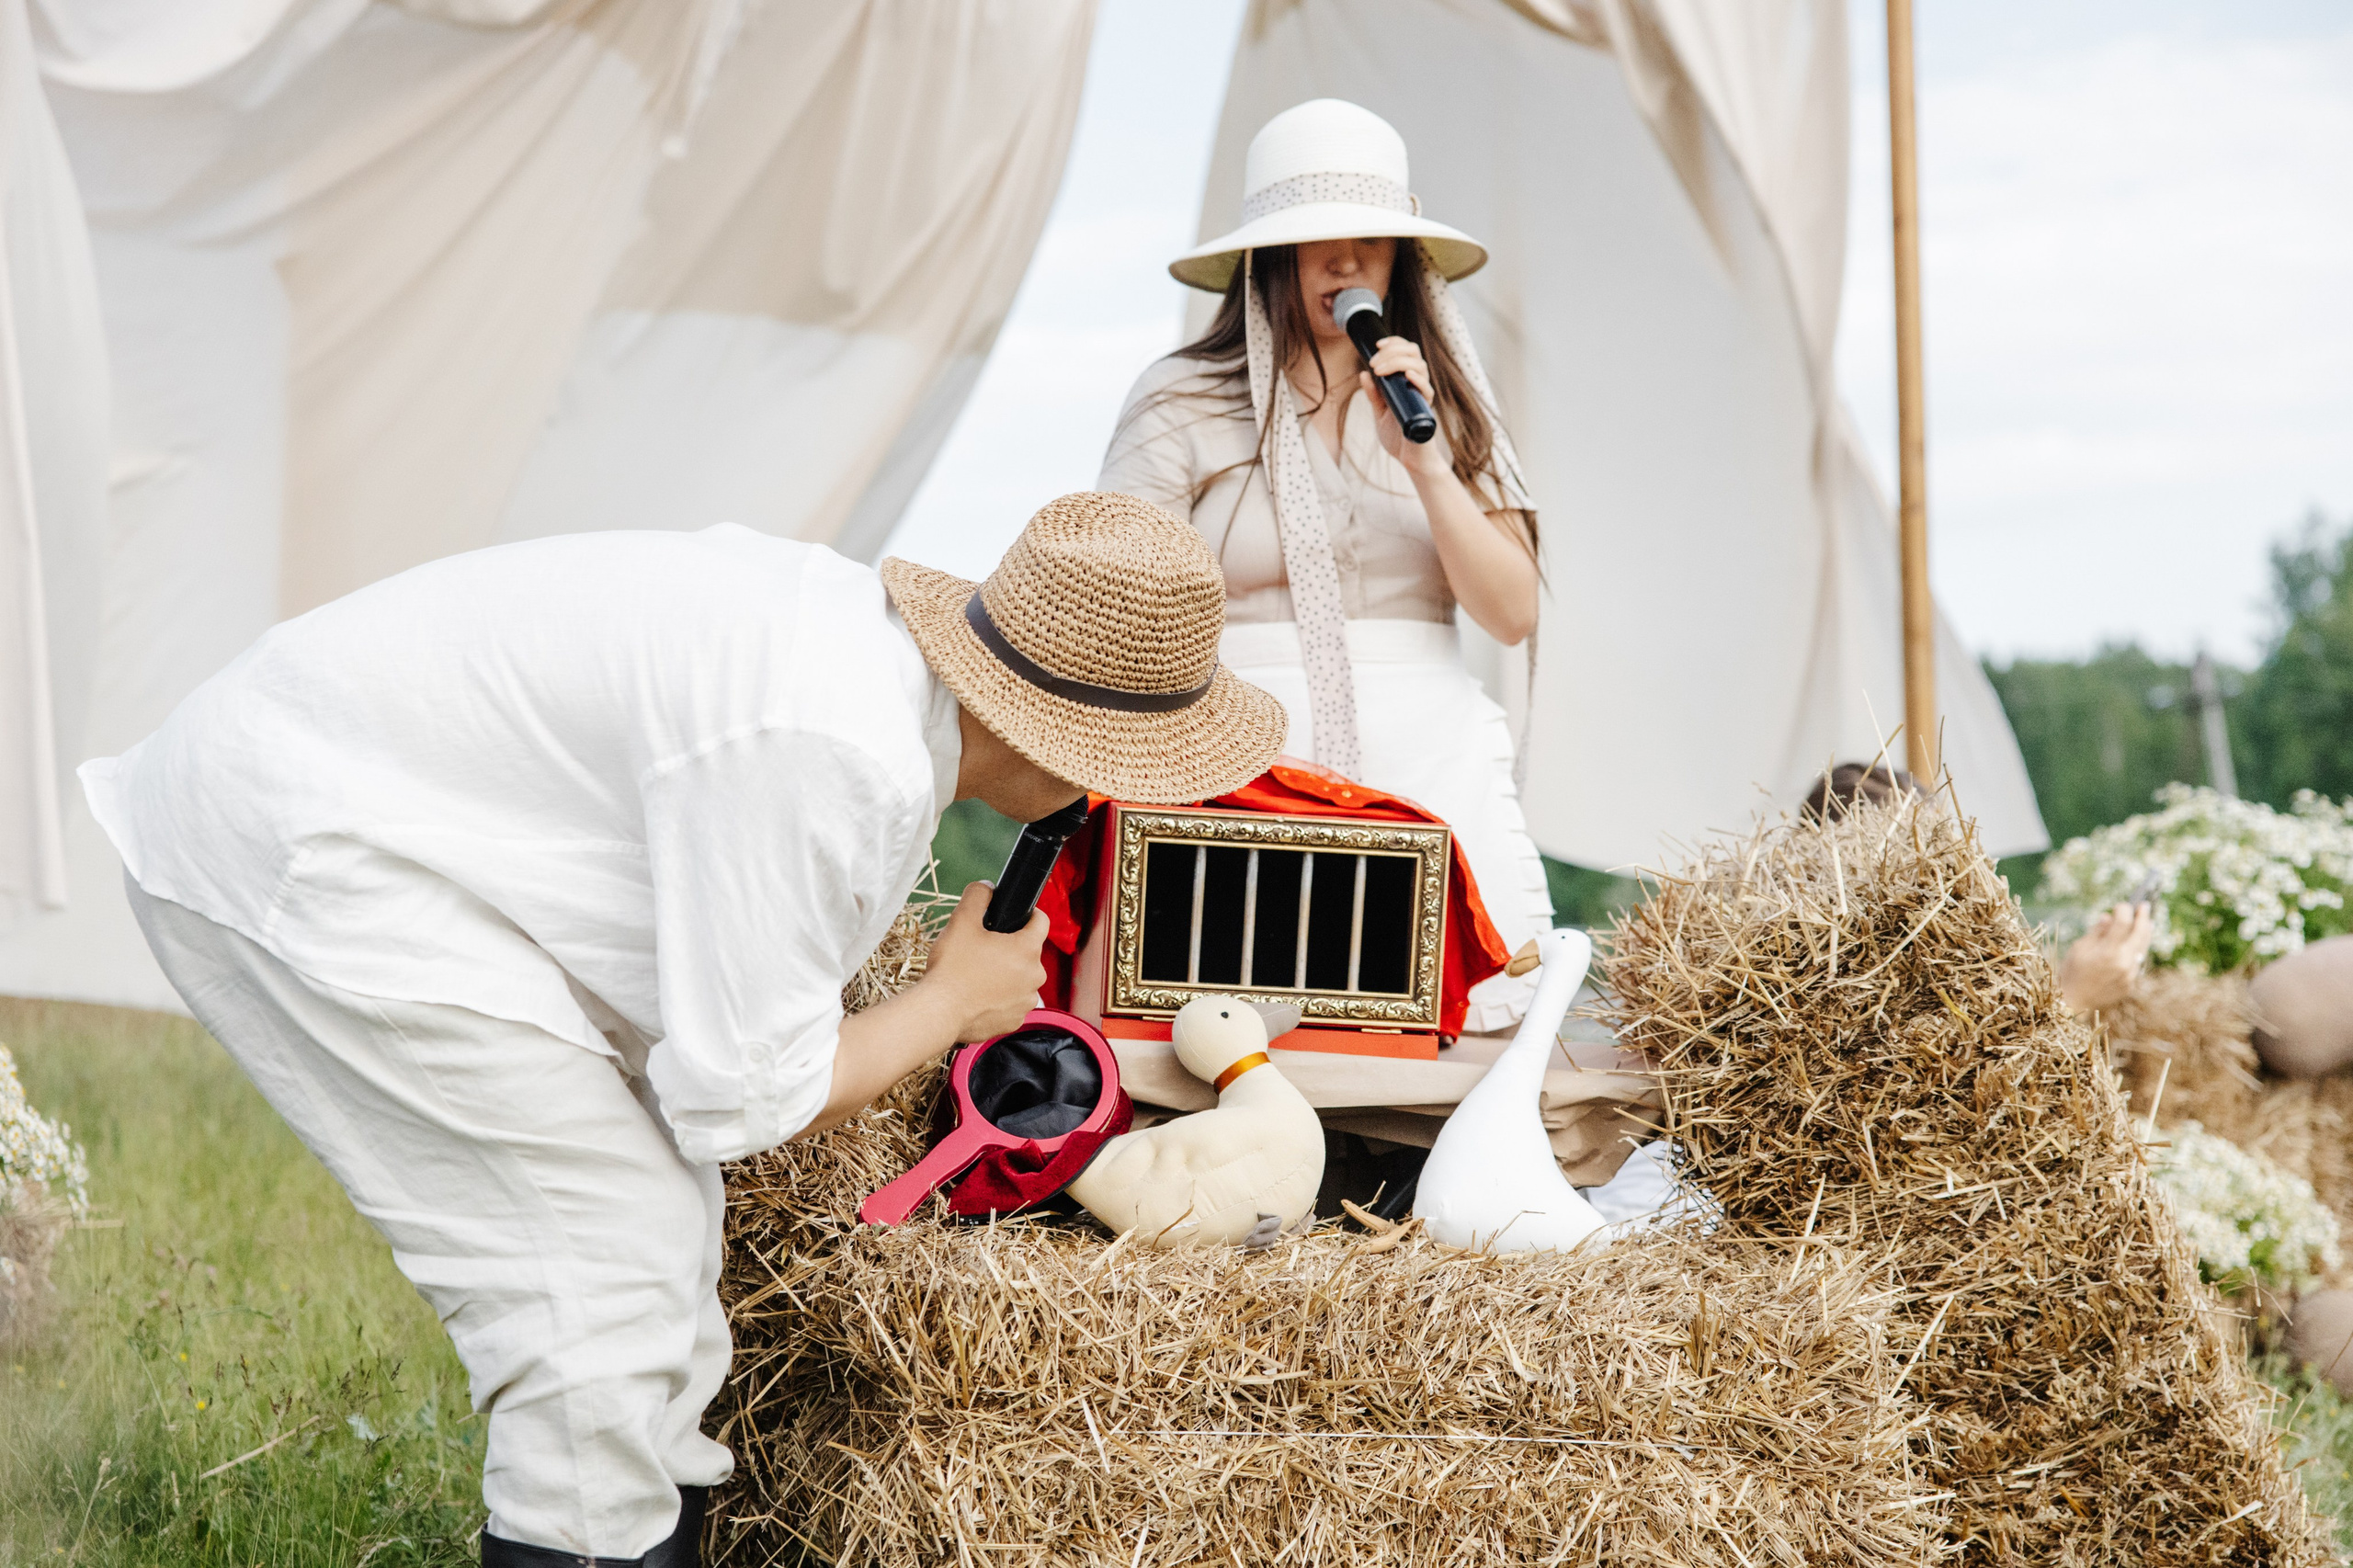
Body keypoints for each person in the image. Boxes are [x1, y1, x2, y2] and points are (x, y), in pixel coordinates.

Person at [79, 493, 1283, 1567]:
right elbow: (740, 1101)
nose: (1119, 791)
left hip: (367, 816)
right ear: (1060, 741)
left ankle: (643, 1525)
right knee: (592, 1274)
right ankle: (589, 1531)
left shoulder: (859, 683)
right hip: (305, 843)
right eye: (1129, 761)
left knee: (655, 1234)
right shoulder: (833, 752)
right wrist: (952, 1005)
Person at [1097, 97, 1549, 1030]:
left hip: (1428, 764)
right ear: (1270, 254)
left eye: (1369, 241)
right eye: (1317, 241)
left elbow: (1511, 612)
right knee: (1237, 1048)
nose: (1344, 263)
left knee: (1454, 1045)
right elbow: (1120, 599)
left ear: (1402, 259)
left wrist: (1426, 462)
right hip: (1238, 765)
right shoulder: (1180, 396)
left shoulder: (1447, 400)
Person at [1800, 760, 2154, 1015]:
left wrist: (2066, 982)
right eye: (1913, 867)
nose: (1942, 884)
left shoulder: (1946, 959)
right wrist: (2072, 998)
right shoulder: (1823, 989)